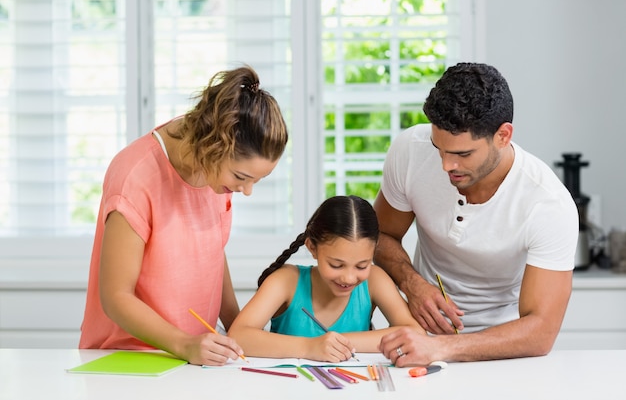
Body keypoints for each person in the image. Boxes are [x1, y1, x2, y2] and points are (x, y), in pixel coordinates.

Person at [79, 66, 289, 366]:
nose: (246, 191)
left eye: (257, 180)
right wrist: (184, 345)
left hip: (190, 357)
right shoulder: (135, 176)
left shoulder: (213, 166)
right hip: (128, 359)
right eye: (242, 176)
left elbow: (212, 251)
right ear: (216, 143)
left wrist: (237, 326)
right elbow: (116, 297)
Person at [373, 62, 579, 366]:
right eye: (439, 148)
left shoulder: (548, 204)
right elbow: (380, 235)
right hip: (417, 338)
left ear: (503, 135)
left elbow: (541, 331)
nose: (446, 165)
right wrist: (411, 283)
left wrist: (441, 349)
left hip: (506, 349)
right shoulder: (410, 151)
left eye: (462, 154)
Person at [228, 195, 424, 363]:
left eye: (361, 266)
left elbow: (415, 333)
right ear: (312, 248)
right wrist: (309, 347)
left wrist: (338, 344)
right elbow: (239, 335)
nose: (348, 277)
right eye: (336, 265)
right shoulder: (286, 280)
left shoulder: (374, 279)